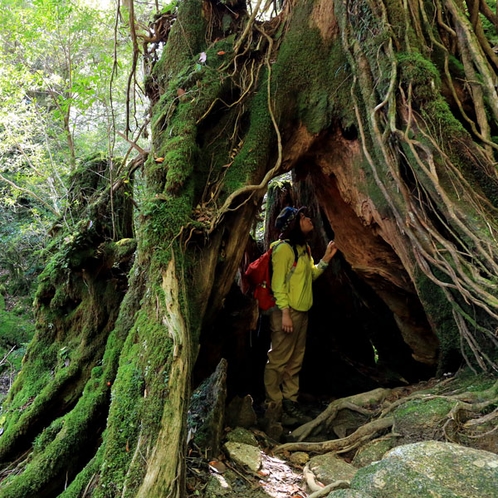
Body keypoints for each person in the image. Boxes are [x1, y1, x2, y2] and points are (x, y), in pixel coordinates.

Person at [264, 206, 337, 426]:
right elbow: (277, 285)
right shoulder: (284, 250)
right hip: (286, 313)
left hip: (302, 313)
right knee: (277, 360)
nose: (308, 219)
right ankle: (273, 406)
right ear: (293, 225)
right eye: (302, 217)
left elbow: (309, 276)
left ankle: (290, 402)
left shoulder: (303, 248)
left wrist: (325, 259)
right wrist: (285, 313)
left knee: (295, 360)